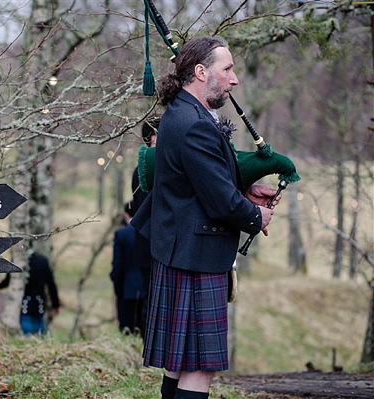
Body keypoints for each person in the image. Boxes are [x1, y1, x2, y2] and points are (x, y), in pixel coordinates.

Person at [131, 36, 279, 399]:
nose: (235, 79)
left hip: (182, 249)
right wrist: (255, 216)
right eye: (227, 69)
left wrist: (245, 191)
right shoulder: (194, 123)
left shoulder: (182, 113)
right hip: (194, 256)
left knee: (178, 363)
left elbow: (199, 183)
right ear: (201, 72)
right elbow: (220, 204)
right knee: (199, 367)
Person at [131, 118, 159, 341]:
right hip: (150, 242)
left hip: (147, 242)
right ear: (152, 137)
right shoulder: (147, 169)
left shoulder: (141, 168)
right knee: (152, 297)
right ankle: (148, 343)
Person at [0, 247, 60, 335]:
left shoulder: (19, 261)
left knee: (25, 333)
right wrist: (56, 305)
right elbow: (51, 285)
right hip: (39, 305)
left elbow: (9, 279)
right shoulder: (43, 261)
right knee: (39, 334)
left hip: (24, 305)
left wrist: (0, 285)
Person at [110, 203, 144, 336]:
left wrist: (118, 288)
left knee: (127, 331)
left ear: (125, 214)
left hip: (127, 290)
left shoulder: (121, 234)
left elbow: (118, 265)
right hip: (147, 289)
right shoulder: (149, 231)